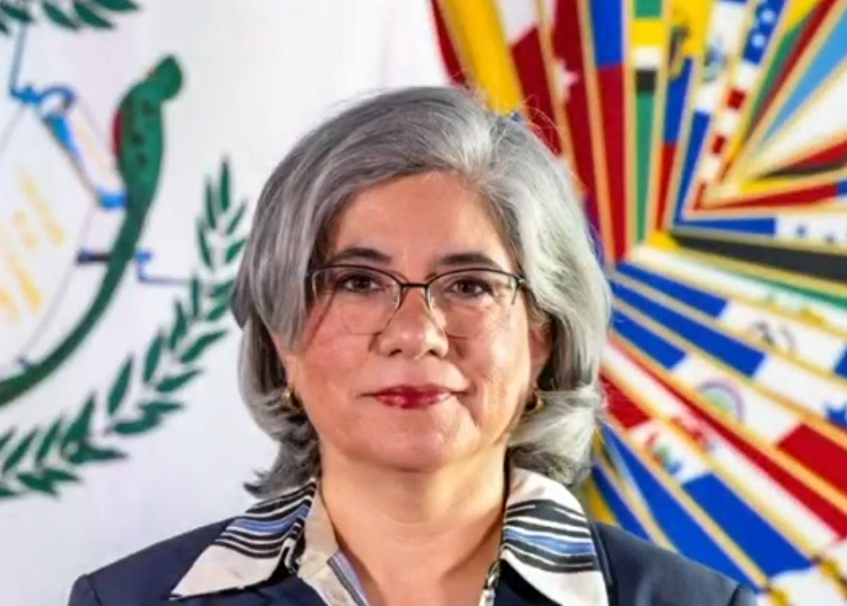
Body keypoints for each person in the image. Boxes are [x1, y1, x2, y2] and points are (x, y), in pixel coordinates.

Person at [67, 86, 757, 606]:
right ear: (281, 336)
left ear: (543, 336)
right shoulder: (127, 601)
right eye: (358, 282)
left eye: (471, 285)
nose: (414, 333)